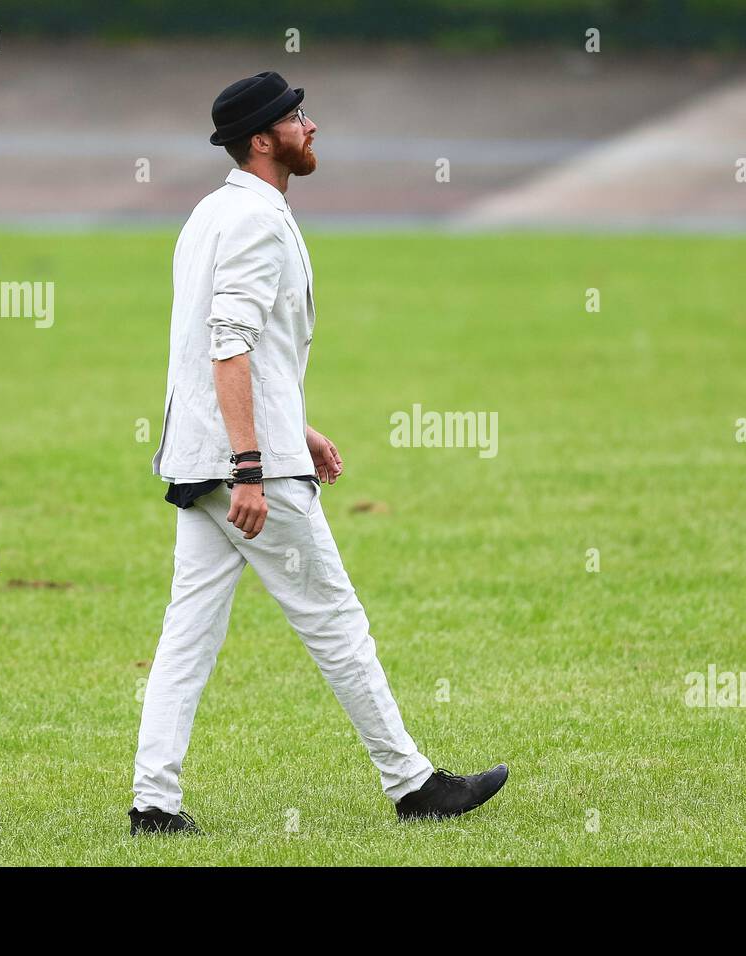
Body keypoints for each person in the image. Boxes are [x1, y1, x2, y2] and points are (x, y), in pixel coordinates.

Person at [129, 72, 508, 835]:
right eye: (298, 118)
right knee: (336, 622)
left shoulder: (213, 212)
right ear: (265, 139)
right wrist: (252, 466)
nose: (312, 126)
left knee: (187, 636)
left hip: (207, 459)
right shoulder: (255, 223)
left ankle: (154, 805)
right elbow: (225, 348)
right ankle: (412, 785)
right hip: (244, 470)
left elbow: (237, 349)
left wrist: (294, 424)